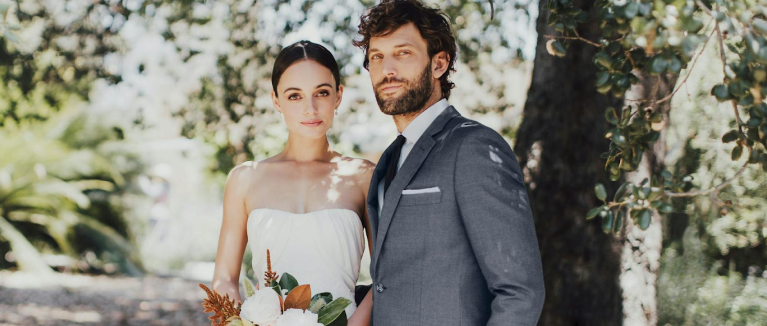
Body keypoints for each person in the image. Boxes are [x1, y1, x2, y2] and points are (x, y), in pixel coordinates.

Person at [353, 0, 545, 325]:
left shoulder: (473, 147)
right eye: (377, 57)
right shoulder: (389, 159)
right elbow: (399, 282)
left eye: (403, 53)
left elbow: (519, 292)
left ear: (439, 63)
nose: (387, 70)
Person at [211, 40, 376, 324]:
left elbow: (388, 275)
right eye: (294, 96)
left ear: (338, 95)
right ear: (276, 100)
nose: (310, 109)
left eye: (321, 93)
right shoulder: (245, 179)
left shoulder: (363, 176)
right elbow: (224, 279)